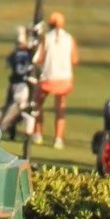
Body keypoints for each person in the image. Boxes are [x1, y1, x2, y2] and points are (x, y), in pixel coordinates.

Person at [34, 11, 79, 149]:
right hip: (64, 79)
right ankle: (58, 139)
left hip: (48, 78)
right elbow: (75, 59)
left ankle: (38, 134)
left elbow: (38, 59)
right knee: (60, 108)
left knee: (37, 104)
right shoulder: (69, 38)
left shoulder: (46, 38)